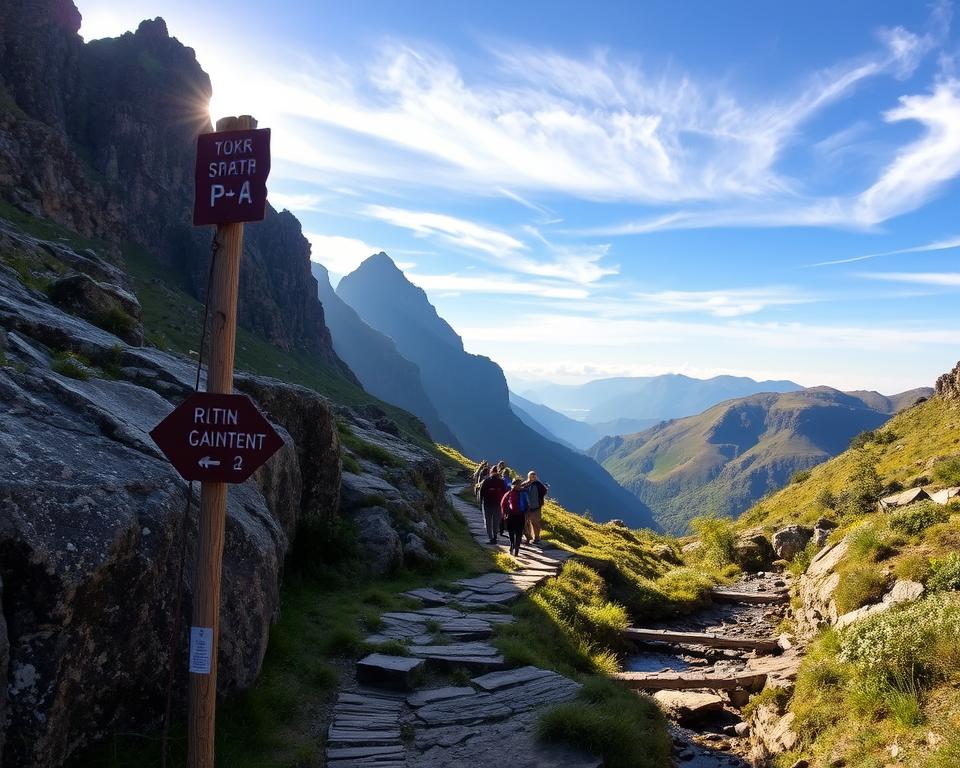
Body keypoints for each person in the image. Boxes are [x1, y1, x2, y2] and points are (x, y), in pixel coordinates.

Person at [500, 477, 528, 556]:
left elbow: (503, 504)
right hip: (520, 516)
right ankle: (516, 548)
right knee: (519, 533)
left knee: (511, 532)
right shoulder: (523, 493)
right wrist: (526, 513)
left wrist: (504, 513)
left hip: (511, 516)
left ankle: (512, 545)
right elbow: (527, 505)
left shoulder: (508, 493)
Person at [478, 468, 506, 544]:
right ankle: (495, 536)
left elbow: (481, 493)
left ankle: (490, 537)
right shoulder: (501, 482)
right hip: (498, 505)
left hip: (487, 504)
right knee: (496, 521)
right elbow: (505, 494)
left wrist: (480, 503)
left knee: (488, 521)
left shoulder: (486, 481)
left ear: (491, 473)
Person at [521, 470, 549, 544]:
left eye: (534, 475)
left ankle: (536, 537)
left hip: (536, 507)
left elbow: (545, 491)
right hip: (526, 507)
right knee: (526, 523)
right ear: (529, 476)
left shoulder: (538, 484)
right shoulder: (525, 484)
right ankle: (528, 536)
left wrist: (540, 499)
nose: (533, 477)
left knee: (535, 523)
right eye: (531, 475)